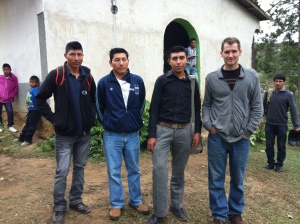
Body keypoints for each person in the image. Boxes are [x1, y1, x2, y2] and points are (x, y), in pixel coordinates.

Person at [202, 37, 263, 224]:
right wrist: (209, 125)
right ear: (221, 53)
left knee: (238, 178)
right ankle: (219, 214)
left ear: (240, 53)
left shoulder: (251, 77)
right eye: (226, 52)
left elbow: (257, 107)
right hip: (217, 136)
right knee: (216, 178)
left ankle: (235, 213)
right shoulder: (212, 78)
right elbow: (207, 105)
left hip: (241, 138)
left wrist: (248, 131)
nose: (230, 55)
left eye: (233, 51)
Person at [36, 41, 96, 224]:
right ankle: (59, 207)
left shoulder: (87, 75)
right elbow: (40, 99)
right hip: (64, 135)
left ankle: (76, 201)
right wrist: (55, 119)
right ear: (65, 56)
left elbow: (93, 99)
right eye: (72, 54)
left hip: (83, 133)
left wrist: (90, 118)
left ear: (83, 55)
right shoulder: (57, 75)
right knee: (62, 171)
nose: (76, 58)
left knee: (80, 168)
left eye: (79, 54)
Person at [147, 45, 201, 224]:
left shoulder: (192, 82)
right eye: (174, 58)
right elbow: (153, 108)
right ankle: (159, 212)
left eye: (181, 58)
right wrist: (152, 134)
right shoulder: (162, 81)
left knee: (179, 172)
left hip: (185, 131)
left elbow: (196, 109)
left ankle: (176, 205)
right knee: (159, 170)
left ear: (187, 60)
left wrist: (197, 132)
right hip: (163, 129)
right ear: (169, 61)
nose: (178, 61)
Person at [95, 48, 149, 221]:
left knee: (134, 169)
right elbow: (99, 107)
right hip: (112, 135)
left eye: (123, 59)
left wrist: (133, 121)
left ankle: (136, 200)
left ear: (128, 60)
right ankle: (116, 204)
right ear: (110, 63)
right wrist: (109, 123)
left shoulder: (137, 81)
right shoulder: (104, 83)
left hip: (133, 134)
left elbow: (141, 105)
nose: (121, 63)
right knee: (113, 171)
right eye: (116, 60)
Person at [263, 74, 300, 172]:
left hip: (282, 125)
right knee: (269, 144)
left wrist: (296, 125)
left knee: (281, 145)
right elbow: (263, 108)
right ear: (273, 82)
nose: (278, 83)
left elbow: (293, 110)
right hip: (269, 124)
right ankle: (270, 163)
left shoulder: (288, 95)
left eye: (280, 81)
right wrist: (259, 120)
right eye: (276, 81)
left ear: (284, 82)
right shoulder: (269, 93)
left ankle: (279, 164)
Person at [13, 76, 41, 146]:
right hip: (31, 111)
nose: (31, 84)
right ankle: (21, 137)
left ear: (37, 83)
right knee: (27, 125)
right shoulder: (31, 90)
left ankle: (28, 140)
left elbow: (38, 98)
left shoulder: (36, 90)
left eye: (33, 82)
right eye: (30, 82)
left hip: (35, 111)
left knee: (32, 126)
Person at [0, 63, 18, 133]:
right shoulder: (0, 77)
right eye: (4, 69)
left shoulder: (14, 79)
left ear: (10, 70)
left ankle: (10, 126)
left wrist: (9, 96)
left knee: (10, 112)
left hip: (7, 99)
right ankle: (1, 126)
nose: (5, 71)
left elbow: (16, 89)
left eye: (7, 69)